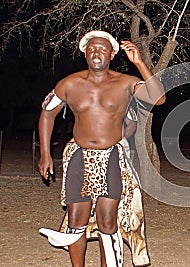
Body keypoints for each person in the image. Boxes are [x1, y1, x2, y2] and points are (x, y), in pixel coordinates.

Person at [38, 30, 165, 267]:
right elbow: (47, 113)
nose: (97, 53)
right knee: (77, 220)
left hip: (111, 158)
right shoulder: (69, 83)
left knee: (108, 220)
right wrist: (45, 154)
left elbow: (158, 98)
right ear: (85, 53)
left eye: (103, 49)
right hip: (79, 157)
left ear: (112, 54)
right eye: (92, 48)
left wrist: (139, 62)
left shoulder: (126, 82)